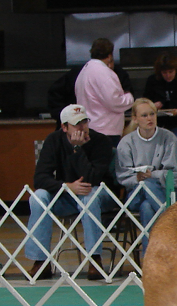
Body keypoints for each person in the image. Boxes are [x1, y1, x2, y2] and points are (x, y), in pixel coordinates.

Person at [24, 104, 112, 281]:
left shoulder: (101, 141)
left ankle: (94, 259)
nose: (82, 127)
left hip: (98, 194)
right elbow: (39, 178)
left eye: (84, 122)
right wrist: (66, 186)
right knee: (39, 197)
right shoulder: (53, 140)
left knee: (89, 196)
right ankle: (40, 261)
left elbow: (92, 178)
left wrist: (78, 150)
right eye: (76, 124)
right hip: (66, 194)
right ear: (64, 127)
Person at [115, 98, 177, 253]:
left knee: (147, 207)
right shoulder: (126, 142)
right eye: (144, 115)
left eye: (152, 114)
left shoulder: (168, 138)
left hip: (167, 193)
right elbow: (122, 176)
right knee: (145, 185)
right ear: (135, 119)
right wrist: (138, 178)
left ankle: (150, 259)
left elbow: (176, 173)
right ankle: (171, 222)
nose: (149, 119)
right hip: (135, 194)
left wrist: (152, 174)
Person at [74, 38, 134, 147]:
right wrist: (129, 98)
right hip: (105, 130)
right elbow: (115, 102)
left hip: (90, 127)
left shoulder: (84, 71)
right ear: (110, 55)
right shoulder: (104, 73)